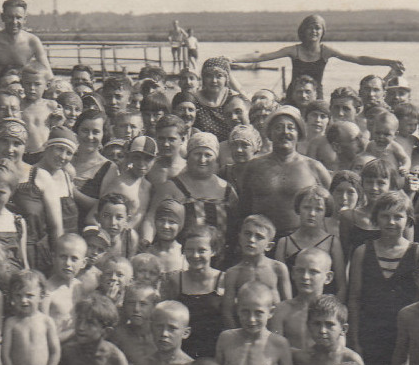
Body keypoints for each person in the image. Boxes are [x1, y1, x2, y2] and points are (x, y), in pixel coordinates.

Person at [347, 191, 419, 365]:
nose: (391, 222)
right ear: (375, 219)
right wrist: (355, 340)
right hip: (371, 334)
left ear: (408, 220)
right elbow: (354, 298)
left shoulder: (418, 253)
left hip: (403, 336)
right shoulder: (363, 252)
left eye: (398, 216)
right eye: (385, 216)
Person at [231, 15, 404, 102]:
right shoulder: (295, 50)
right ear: (303, 31)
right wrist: (232, 59)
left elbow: (359, 58)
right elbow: (262, 56)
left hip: (317, 94)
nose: (314, 32)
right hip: (294, 94)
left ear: (322, 32)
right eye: (310, 28)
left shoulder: (325, 51)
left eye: (317, 28)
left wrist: (387, 62)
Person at [238, 107, 331, 239]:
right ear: (269, 133)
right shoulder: (254, 166)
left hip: (299, 242)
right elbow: (243, 208)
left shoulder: (314, 167)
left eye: (291, 128)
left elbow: (331, 211)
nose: (285, 132)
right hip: (260, 240)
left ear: (299, 133)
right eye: (279, 127)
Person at [145, 132, 238, 255]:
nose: (202, 159)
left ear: (216, 159)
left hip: (221, 259)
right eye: (197, 154)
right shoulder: (171, 186)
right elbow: (152, 217)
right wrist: (146, 241)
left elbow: (237, 224)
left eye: (208, 155)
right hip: (182, 257)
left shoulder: (227, 190)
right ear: (188, 156)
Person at [10, 126, 79, 271]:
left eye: (69, 153)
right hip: (44, 250)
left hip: (70, 252)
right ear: (47, 147)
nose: (63, 156)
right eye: (59, 149)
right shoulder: (30, 176)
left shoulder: (66, 175)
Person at [1, 270, 61, 365]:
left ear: (41, 296)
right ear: (12, 297)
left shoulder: (47, 322)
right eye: (18, 295)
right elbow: (5, 355)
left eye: (29, 295)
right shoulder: (11, 323)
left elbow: (55, 353)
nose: (24, 300)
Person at [160, 224, 224, 359]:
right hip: (182, 353)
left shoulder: (224, 280)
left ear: (213, 251)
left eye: (202, 250)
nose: (195, 255)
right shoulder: (175, 280)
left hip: (215, 352)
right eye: (190, 250)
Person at [274, 184, 346, 299]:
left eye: (318, 209)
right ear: (298, 209)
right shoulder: (285, 242)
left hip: (323, 308)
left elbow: (341, 285)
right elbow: (279, 283)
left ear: (325, 212)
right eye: (307, 207)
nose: (312, 213)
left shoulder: (332, 242)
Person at [221, 216, 292, 328]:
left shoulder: (277, 268)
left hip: (274, 330)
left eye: (259, 237)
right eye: (247, 234)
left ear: (269, 246)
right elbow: (227, 312)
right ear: (240, 238)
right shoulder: (233, 273)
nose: (251, 240)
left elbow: (288, 305)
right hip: (244, 330)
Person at [270, 248, 334, 351]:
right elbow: (275, 349)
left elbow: (336, 352)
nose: (305, 277)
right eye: (300, 271)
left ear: (328, 277)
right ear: (293, 273)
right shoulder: (281, 310)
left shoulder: (333, 311)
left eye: (313, 272)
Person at [42, 233, 88, 343]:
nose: (68, 263)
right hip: (56, 347)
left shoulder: (80, 286)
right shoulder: (47, 291)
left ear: (83, 263)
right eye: (63, 257)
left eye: (74, 259)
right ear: (53, 258)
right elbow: (43, 334)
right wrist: (75, 332)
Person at [140, 198, 186, 274]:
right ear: (155, 222)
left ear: (180, 225)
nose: (165, 226)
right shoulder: (147, 252)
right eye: (161, 220)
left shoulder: (184, 254)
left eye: (172, 222)